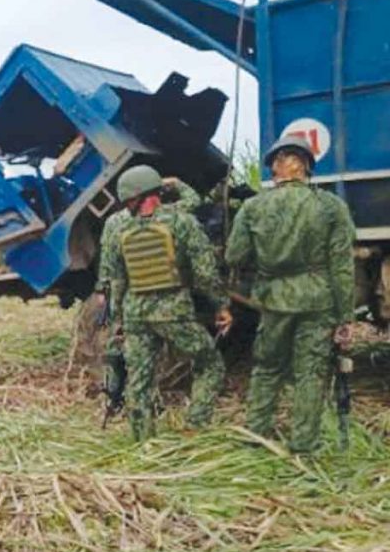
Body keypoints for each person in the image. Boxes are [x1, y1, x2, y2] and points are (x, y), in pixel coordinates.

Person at [226, 134, 355, 454]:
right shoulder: (330, 207)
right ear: (308, 168)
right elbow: (342, 267)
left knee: (267, 369)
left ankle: (255, 439)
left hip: (273, 300)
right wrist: (346, 317)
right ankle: (303, 448)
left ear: (273, 170)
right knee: (310, 373)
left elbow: (233, 256)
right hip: (318, 300)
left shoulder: (253, 208)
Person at [99, 166, 232, 440]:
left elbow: (115, 280)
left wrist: (118, 322)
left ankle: (141, 441)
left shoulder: (116, 227)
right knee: (210, 364)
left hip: (136, 314)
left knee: (139, 379)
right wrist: (221, 306)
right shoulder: (180, 220)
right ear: (156, 191)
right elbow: (205, 274)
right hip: (174, 311)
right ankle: (194, 427)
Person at [95, 175, 206, 419]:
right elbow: (193, 200)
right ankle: (183, 417)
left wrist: (110, 303)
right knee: (201, 361)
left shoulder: (115, 223)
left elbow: (110, 267)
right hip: (166, 300)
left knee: (130, 364)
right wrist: (175, 183)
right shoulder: (172, 215)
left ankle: (121, 410)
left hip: (130, 300)